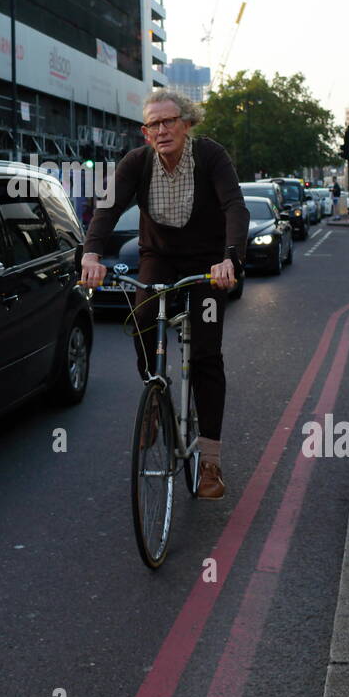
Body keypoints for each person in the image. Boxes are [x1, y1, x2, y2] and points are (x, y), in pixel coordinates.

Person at [80, 94, 249, 500]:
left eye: (169, 122)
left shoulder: (210, 156)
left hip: (208, 265)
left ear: (186, 123)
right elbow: (107, 208)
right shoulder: (136, 163)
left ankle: (210, 461)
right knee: (139, 317)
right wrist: (90, 253)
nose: (161, 131)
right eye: (152, 125)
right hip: (159, 256)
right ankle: (155, 393)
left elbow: (235, 208)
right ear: (145, 132)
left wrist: (230, 260)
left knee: (206, 354)